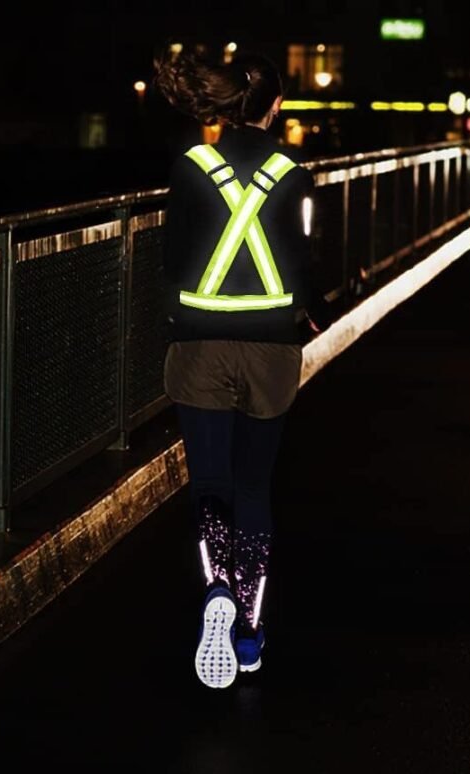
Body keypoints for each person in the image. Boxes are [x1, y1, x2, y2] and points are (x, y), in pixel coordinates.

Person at [152, 49, 327, 689]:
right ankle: (250, 632)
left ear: (226, 106)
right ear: (274, 107)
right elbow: (304, 260)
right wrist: (311, 308)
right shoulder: (293, 170)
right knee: (255, 487)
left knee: (211, 486)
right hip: (272, 349)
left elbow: (172, 261)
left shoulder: (191, 167)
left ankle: (216, 585)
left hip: (199, 342)